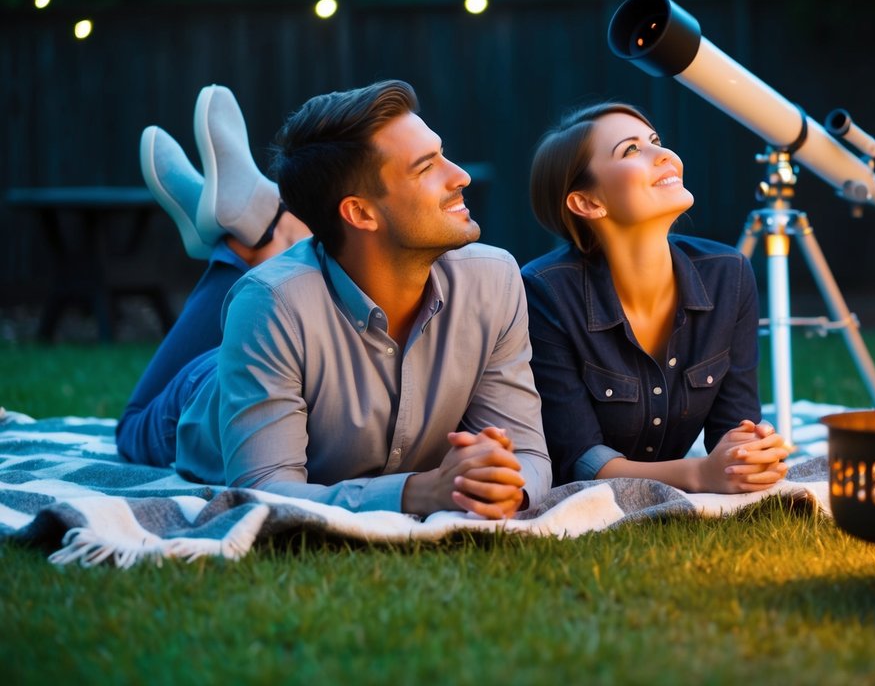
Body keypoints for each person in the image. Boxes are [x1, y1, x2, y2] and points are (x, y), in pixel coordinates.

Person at [116, 81, 550, 519]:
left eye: (442, 155)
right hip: (207, 390)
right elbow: (266, 492)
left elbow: (529, 452)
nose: (460, 175)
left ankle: (263, 225)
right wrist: (418, 492)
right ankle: (240, 244)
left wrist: (505, 485)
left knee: (288, 281)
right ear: (360, 212)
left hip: (296, 313)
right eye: (425, 167)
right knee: (131, 427)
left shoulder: (494, 281)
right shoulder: (270, 305)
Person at [522, 102, 789, 492]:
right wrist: (700, 475)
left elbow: (733, 427)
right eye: (631, 150)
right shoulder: (545, 292)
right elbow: (580, 460)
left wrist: (749, 452)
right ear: (588, 203)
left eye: (655, 141)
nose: (664, 155)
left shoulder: (728, 274)